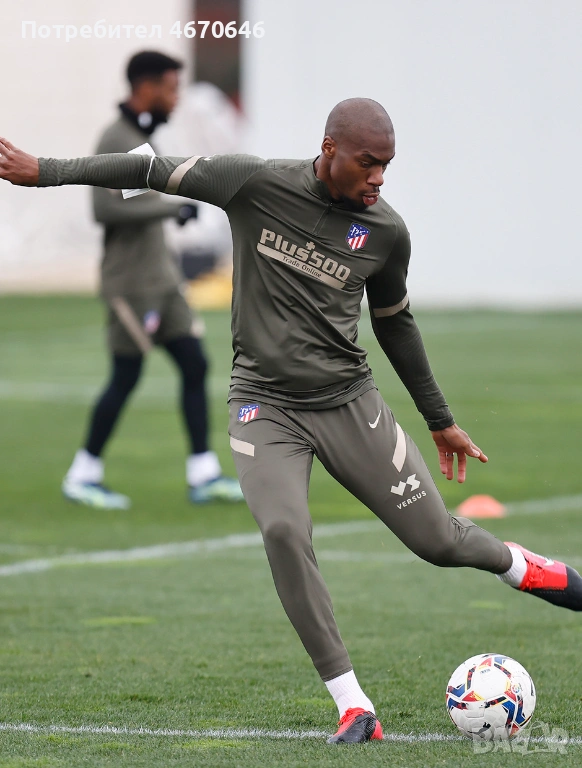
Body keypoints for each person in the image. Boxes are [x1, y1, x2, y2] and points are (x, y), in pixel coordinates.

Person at [2, 97, 581, 743]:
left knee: (439, 543)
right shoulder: (253, 182)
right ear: (329, 148)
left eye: (387, 166)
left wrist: (439, 419)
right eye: (368, 163)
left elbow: (396, 325)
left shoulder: (386, 232)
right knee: (282, 529)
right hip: (264, 406)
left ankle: (524, 567)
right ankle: (354, 706)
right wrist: (45, 170)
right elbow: (147, 169)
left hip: (349, 404)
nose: (379, 178)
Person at [64, 51, 244, 508]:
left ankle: (203, 473)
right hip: (132, 285)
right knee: (126, 375)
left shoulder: (141, 138)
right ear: (145, 88)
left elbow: (138, 199)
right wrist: (171, 208)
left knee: (194, 364)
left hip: (163, 281)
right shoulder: (117, 137)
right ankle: (83, 474)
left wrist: (172, 206)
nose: (176, 97)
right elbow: (104, 209)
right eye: (170, 88)